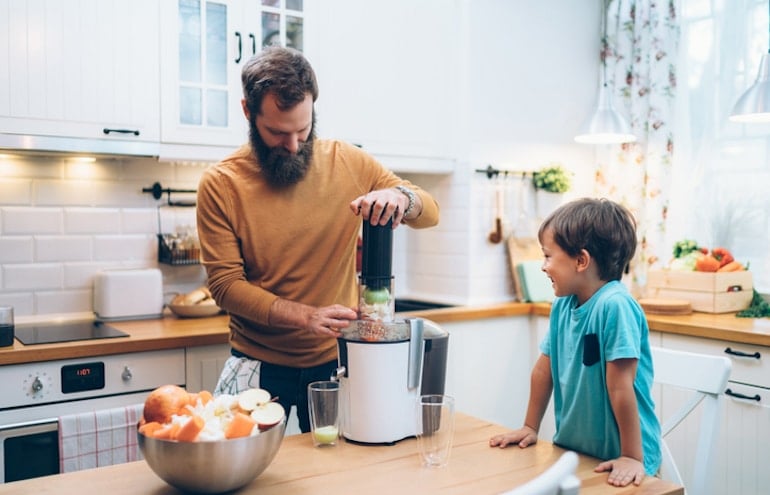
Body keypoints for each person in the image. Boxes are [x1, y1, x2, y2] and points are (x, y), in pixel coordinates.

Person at [195, 47, 440, 433]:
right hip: (257, 362)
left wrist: (401, 197)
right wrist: (306, 316)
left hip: (336, 362)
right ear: (248, 111)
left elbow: (430, 212)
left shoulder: (348, 161)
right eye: (277, 132)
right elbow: (226, 287)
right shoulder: (221, 183)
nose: (293, 145)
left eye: (303, 130)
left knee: (339, 475)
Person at [489, 198, 661, 487]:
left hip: (627, 461)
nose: (543, 267)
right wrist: (530, 427)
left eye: (548, 256)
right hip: (578, 455)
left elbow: (621, 387)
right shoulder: (563, 305)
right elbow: (544, 372)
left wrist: (632, 456)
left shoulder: (615, 306)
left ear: (581, 261)